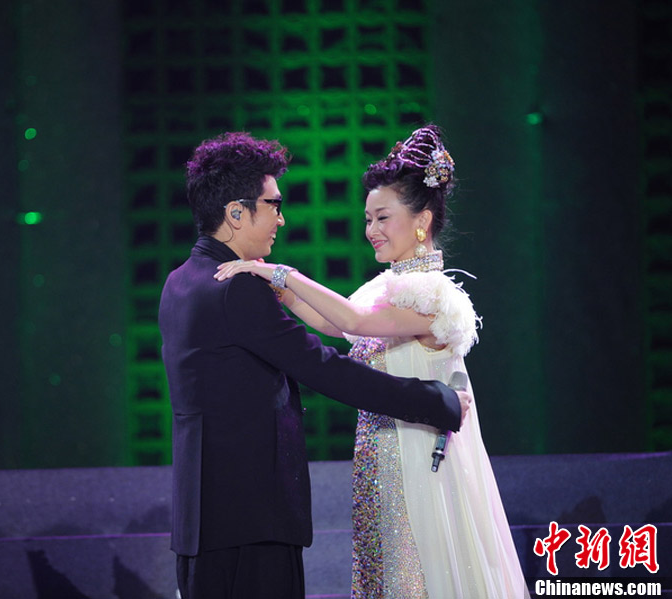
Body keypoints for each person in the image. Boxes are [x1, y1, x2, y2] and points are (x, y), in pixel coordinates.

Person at [215, 126, 529, 598]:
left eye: (383, 217)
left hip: (419, 463)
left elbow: (355, 321)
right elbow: (335, 323)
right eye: (367, 219)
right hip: (379, 459)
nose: (371, 231)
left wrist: (281, 273)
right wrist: (271, 287)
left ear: (422, 220)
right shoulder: (385, 287)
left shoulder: (434, 293)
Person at [159, 131, 472, 599]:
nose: (281, 219)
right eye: (274, 205)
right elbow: (324, 368)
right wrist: (435, 401)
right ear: (236, 213)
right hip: (251, 522)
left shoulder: (179, 282)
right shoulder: (235, 287)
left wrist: (283, 285)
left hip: (202, 523)